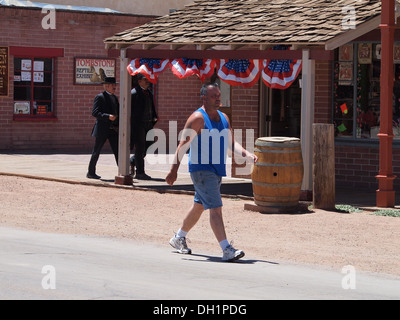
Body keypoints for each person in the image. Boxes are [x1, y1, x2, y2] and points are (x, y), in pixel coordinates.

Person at [166, 83, 258, 262]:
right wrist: (173, 170)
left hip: (216, 170)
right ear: (204, 98)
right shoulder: (197, 118)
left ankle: (178, 238)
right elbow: (182, 145)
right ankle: (226, 249)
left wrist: (247, 154)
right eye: (214, 96)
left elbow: (231, 143)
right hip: (201, 170)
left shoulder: (224, 118)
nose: (218, 98)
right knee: (215, 208)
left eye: (218, 95)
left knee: (199, 206)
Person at [87, 77, 119, 179]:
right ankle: (91, 172)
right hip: (102, 128)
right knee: (96, 151)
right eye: (113, 85)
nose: (115, 87)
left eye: (115, 85)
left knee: (118, 151)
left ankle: (122, 172)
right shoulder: (100, 97)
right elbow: (95, 112)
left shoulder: (115, 98)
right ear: (107, 86)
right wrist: (107, 116)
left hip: (113, 129)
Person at [130, 73, 158, 180]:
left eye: (148, 79)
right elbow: (131, 112)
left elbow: (151, 107)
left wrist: (154, 117)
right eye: (144, 79)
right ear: (139, 81)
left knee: (149, 145)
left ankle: (132, 161)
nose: (147, 81)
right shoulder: (134, 93)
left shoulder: (149, 93)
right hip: (138, 125)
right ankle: (140, 172)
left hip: (148, 123)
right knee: (140, 148)